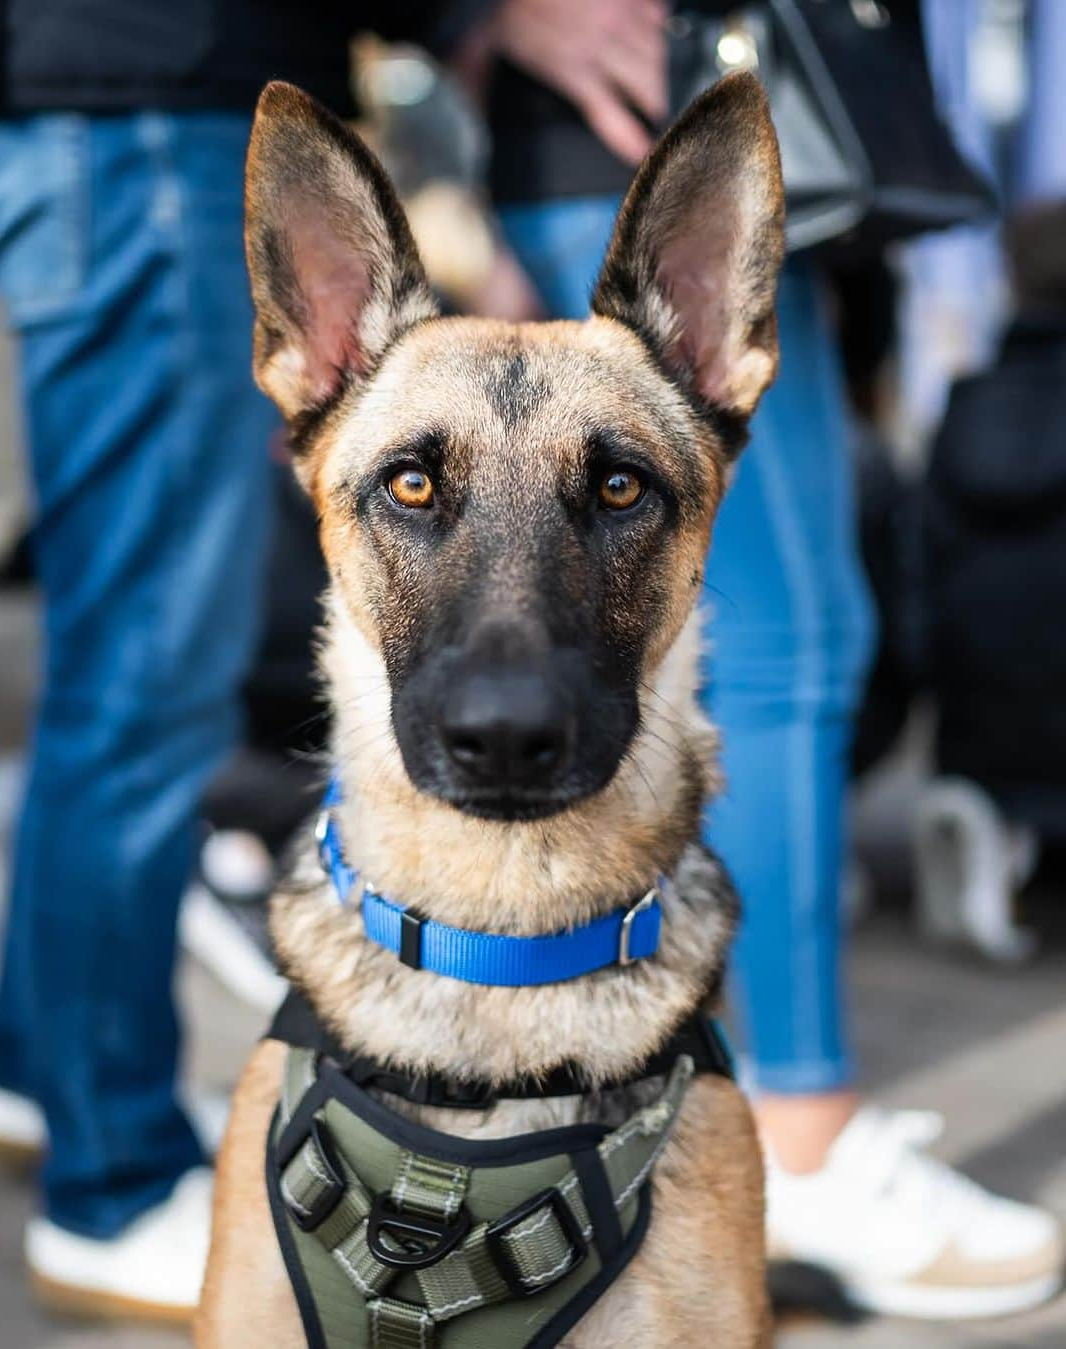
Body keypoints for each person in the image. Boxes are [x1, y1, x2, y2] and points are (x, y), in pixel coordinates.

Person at [456, 0, 1063, 1320]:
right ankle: (801, 1134)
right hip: (644, 140)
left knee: (803, 638)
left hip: (695, 136)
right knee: (789, 651)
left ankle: (715, 1109)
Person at [0, 0, 479, 1322]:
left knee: (120, 662)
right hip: (151, 106)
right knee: (148, 673)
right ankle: (115, 1183)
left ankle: (44, 1076)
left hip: (113, 106)